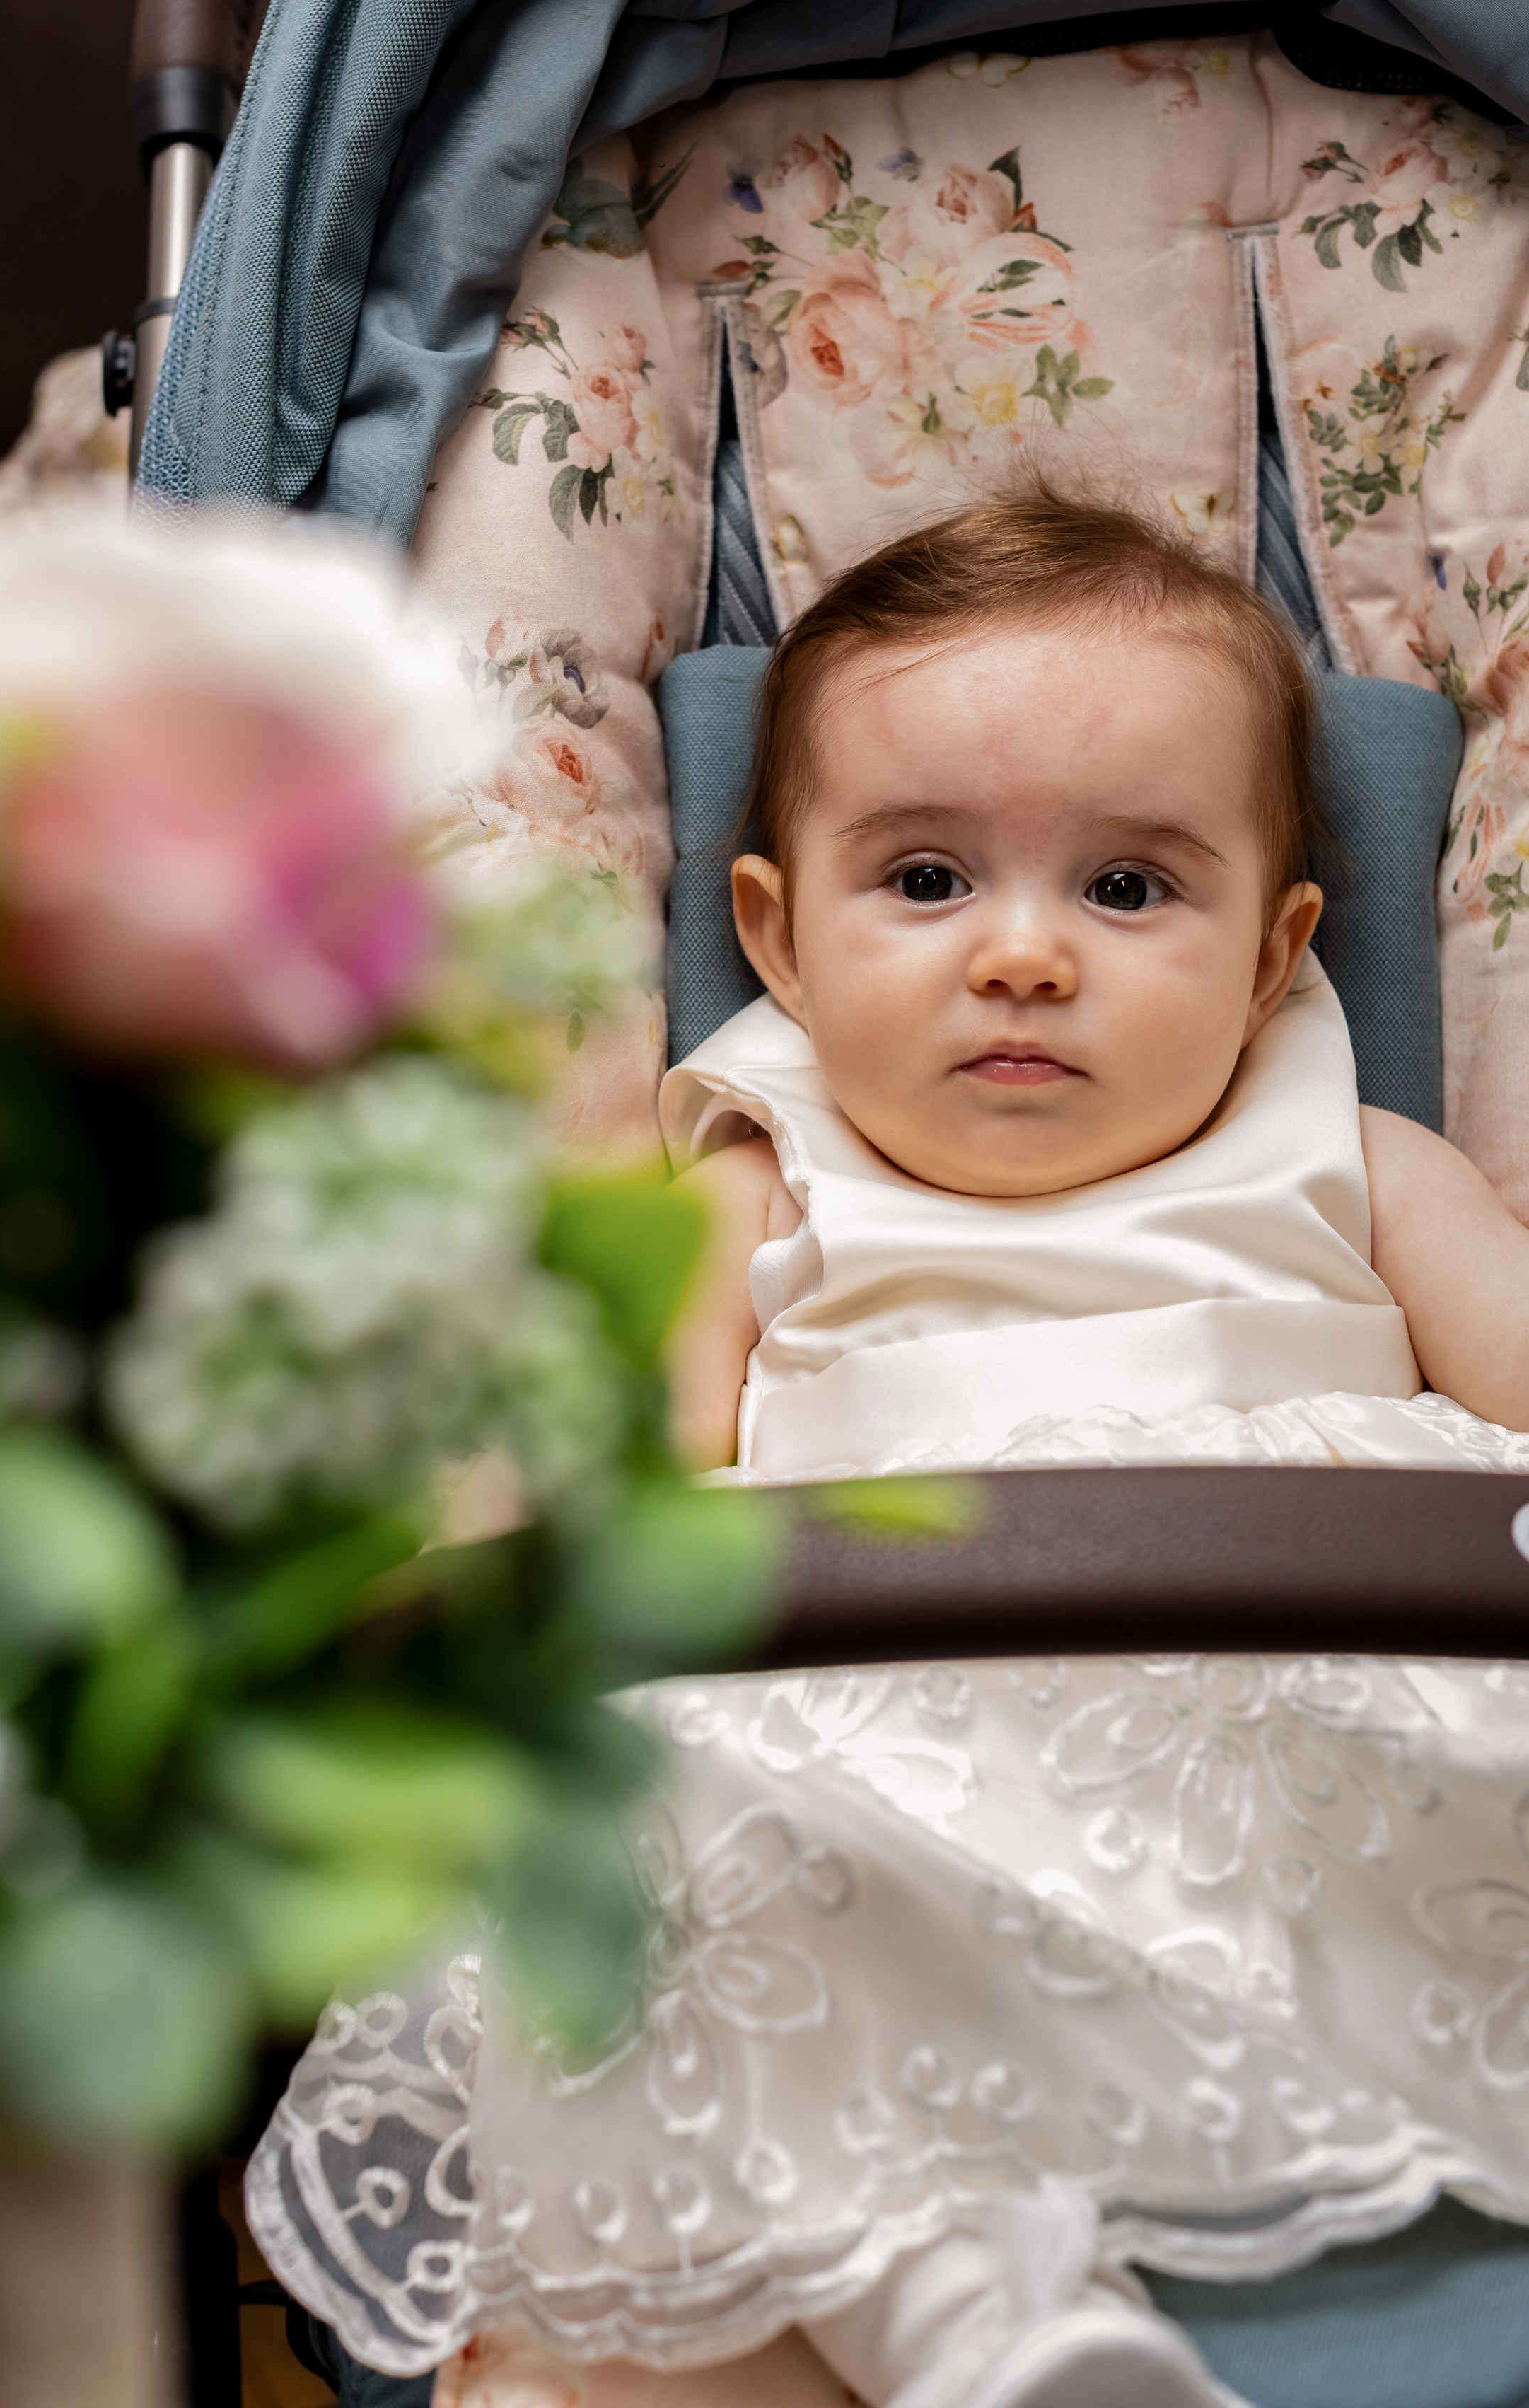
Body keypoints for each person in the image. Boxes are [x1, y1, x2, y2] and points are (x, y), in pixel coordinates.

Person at [250, 494, 1529, 2408]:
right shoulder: (750, 1180)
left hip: (1299, 1716)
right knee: (705, 1898)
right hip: (863, 1711)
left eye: (1127, 890)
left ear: (1276, 962)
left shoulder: (1363, 1165)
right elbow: (633, 1484)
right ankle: (982, 2317)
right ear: (774, 929)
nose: (1022, 956)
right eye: (926, 881)